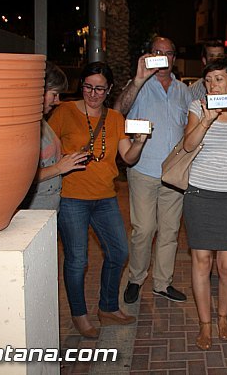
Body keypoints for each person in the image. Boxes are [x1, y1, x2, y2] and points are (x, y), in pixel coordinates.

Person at [48, 61, 148, 338]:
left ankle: (107, 307)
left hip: (105, 197)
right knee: (77, 260)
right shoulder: (65, 111)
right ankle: (80, 315)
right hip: (72, 197)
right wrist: (56, 166)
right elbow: (45, 147)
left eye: (100, 89)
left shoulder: (115, 119)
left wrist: (139, 142)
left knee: (119, 252)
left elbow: (127, 157)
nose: (93, 94)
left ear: (110, 90)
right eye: (88, 87)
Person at [181, 54, 227, 350]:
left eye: (219, 79)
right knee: (201, 261)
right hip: (199, 193)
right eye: (208, 80)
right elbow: (188, 144)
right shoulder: (197, 108)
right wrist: (207, 120)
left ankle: (223, 316)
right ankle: (205, 324)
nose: (212, 85)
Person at [113, 36, 193, 304]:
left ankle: (162, 283)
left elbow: (191, 126)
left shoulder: (184, 90)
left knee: (170, 232)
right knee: (144, 229)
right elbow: (117, 112)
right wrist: (137, 79)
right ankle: (136, 278)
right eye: (157, 52)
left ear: (174, 58)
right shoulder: (138, 86)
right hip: (143, 170)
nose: (163, 57)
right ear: (148, 55)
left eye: (168, 53)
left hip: (174, 174)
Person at [21, 62, 89, 210]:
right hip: (35, 212)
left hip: (48, 208)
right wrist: (59, 168)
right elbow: (22, 177)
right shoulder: (26, 126)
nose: (58, 101)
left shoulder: (42, 121)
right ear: (40, 91)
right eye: (54, 94)